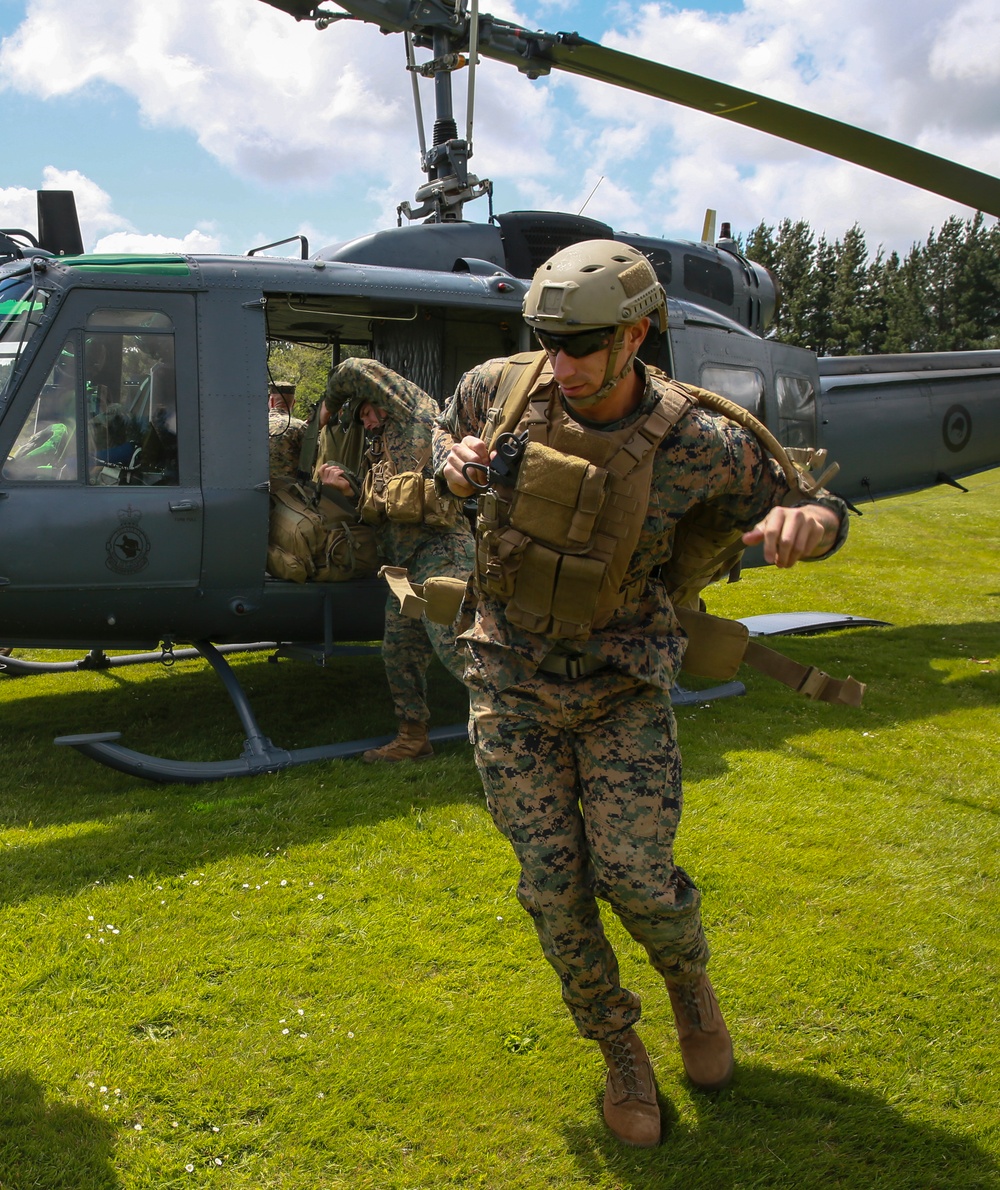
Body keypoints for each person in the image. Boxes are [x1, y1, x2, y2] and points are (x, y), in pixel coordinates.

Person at [435, 240, 848, 1148]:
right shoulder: (493, 395)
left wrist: (808, 523)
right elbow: (438, 470)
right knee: (553, 886)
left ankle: (686, 981)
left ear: (638, 334)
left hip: (623, 686)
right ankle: (619, 1046)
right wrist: (452, 469)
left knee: (635, 875)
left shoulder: (699, 439)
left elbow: (814, 502)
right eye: (547, 339)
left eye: (583, 343)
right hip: (510, 683)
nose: (563, 363)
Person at [317, 358, 475, 762]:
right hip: (402, 567)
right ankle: (412, 736)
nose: (366, 422)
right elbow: (382, 505)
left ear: (382, 403)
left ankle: (520, 723)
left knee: (458, 647)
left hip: (443, 556)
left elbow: (354, 367)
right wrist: (346, 487)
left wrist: (330, 404)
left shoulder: (413, 413)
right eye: (361, 418)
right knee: (399, 652)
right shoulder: (379, 449)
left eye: (367, 412)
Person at [267, 381, 306, 482]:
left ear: (271, 401)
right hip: (288, 493)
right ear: (293, 403)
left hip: (258, 491)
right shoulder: (299, 427)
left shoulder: (253, 425)